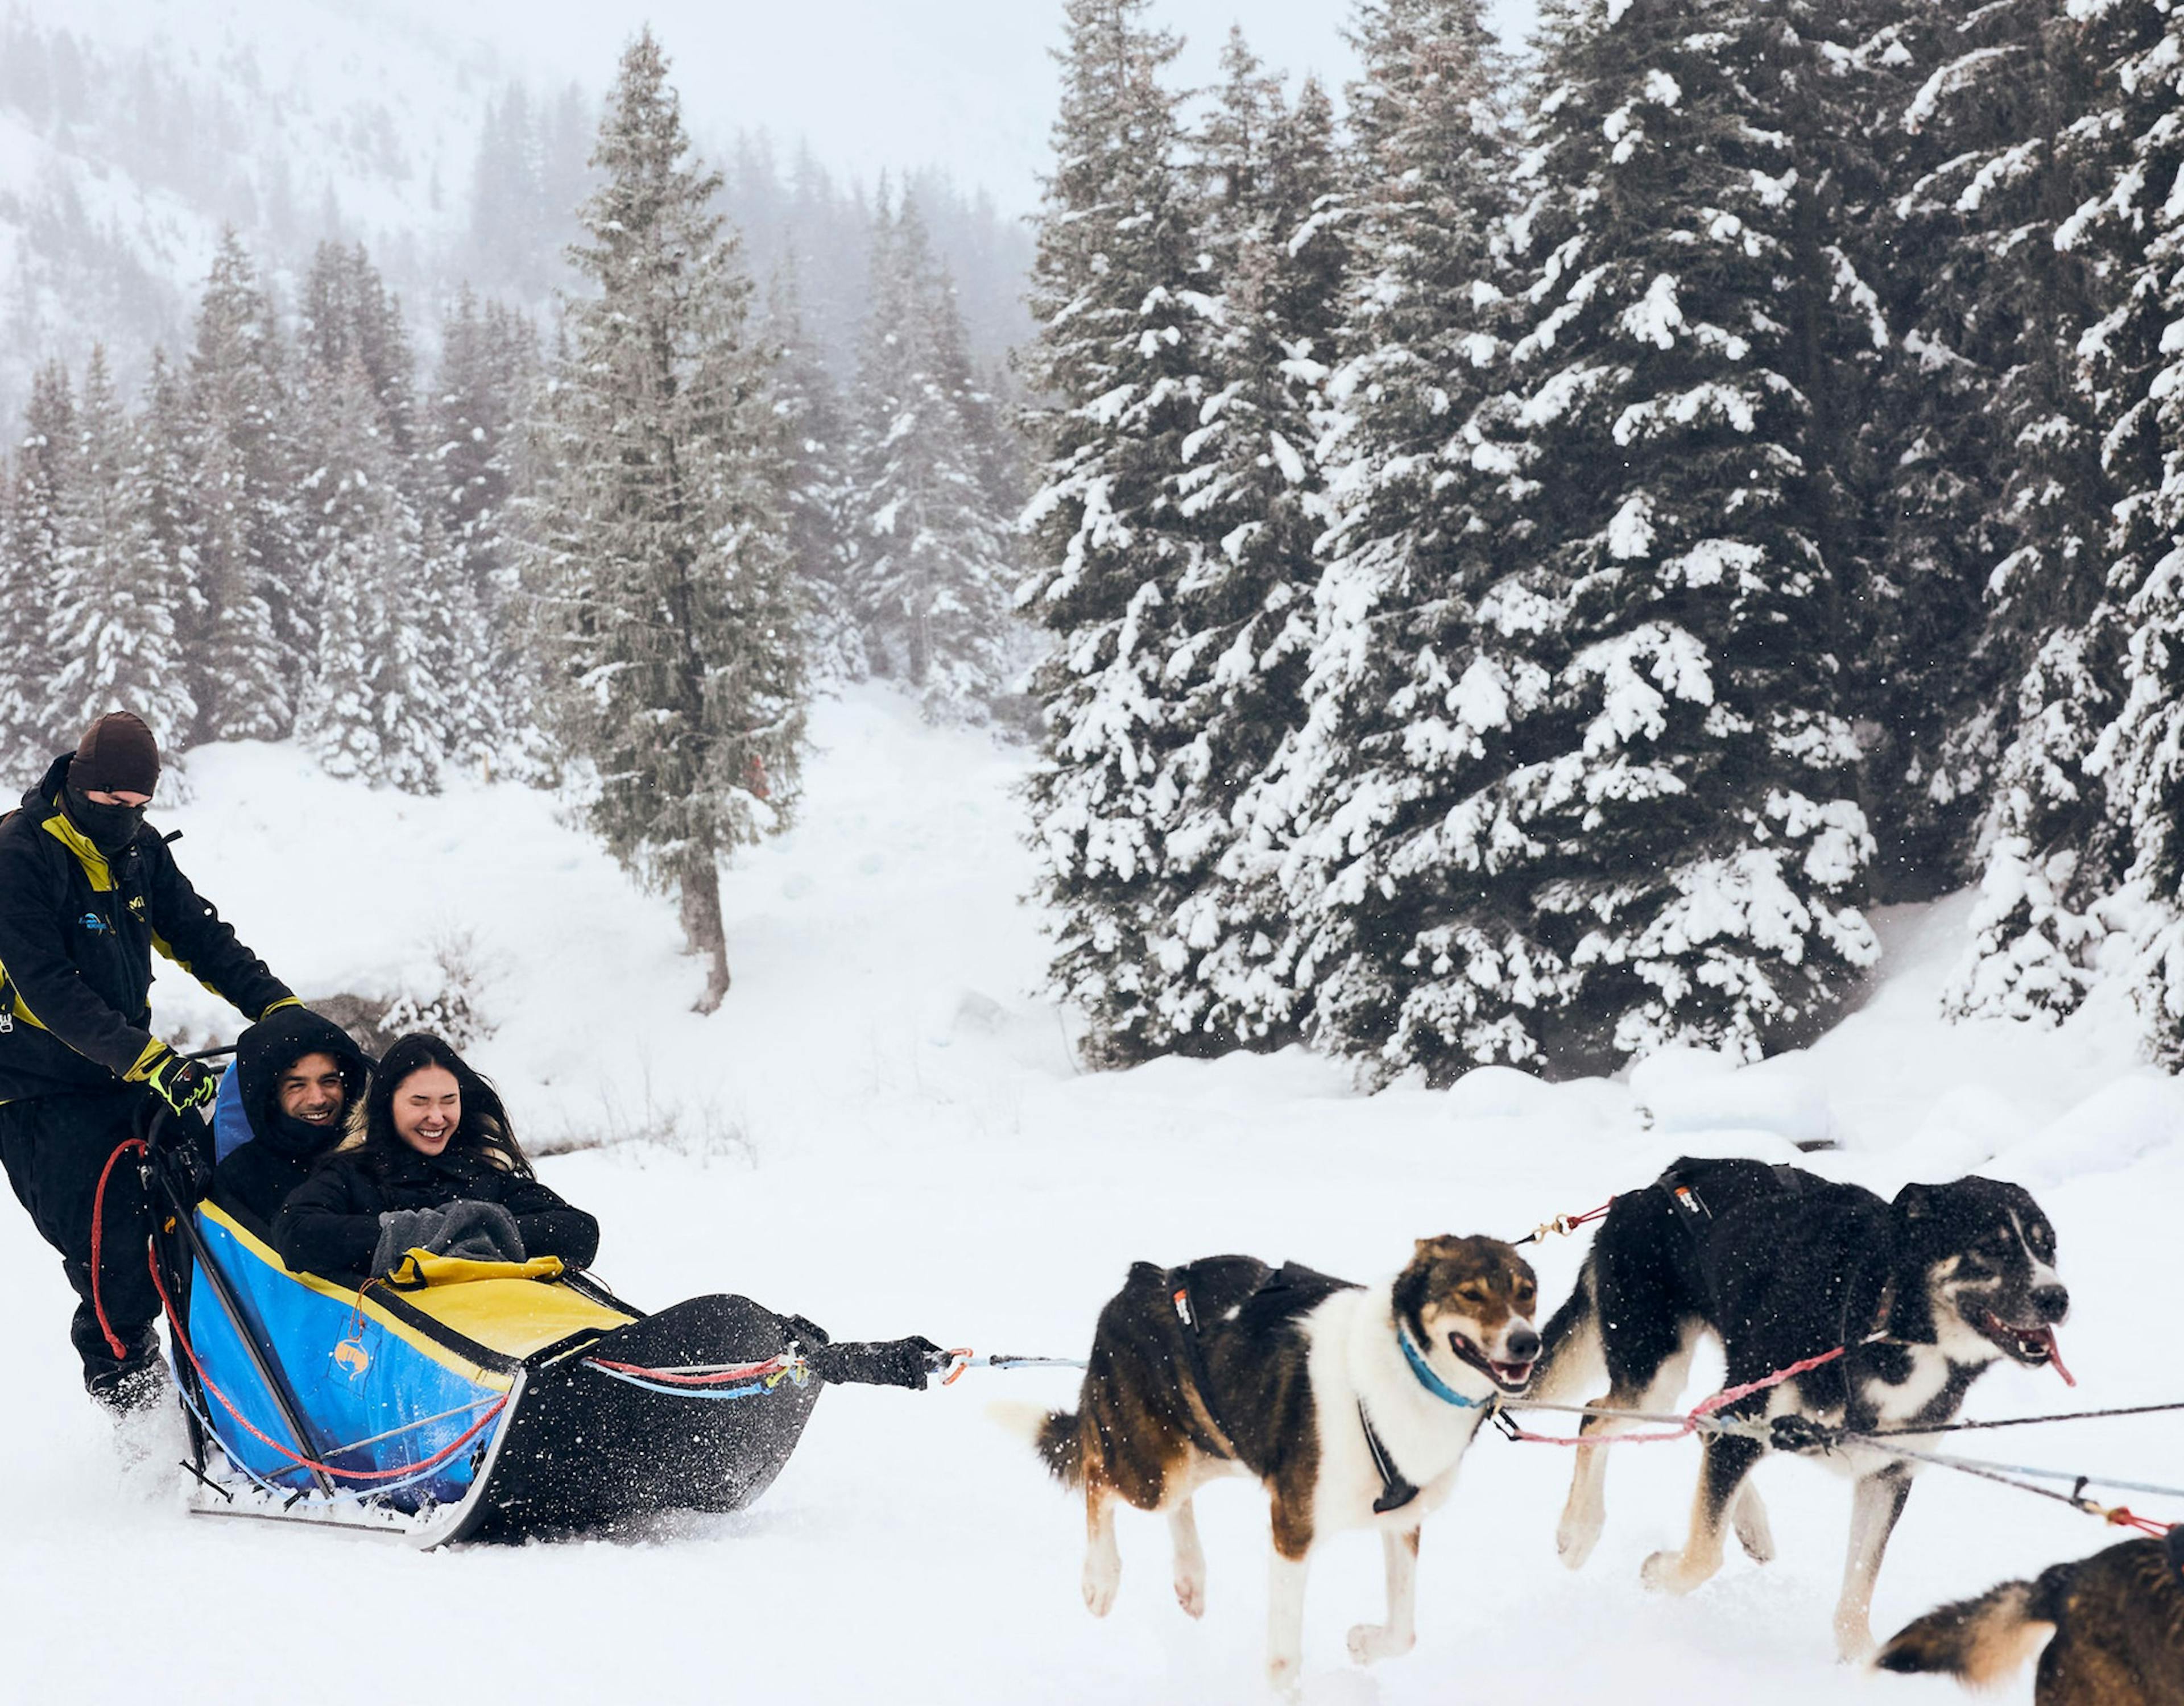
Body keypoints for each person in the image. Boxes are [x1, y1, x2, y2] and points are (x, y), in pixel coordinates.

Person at [0, 711, 299, 1412]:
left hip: (126, 1078)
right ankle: (138, 1428)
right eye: (110, 804)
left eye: (138, 807)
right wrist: (152, 1059)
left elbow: (199, 936)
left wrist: (282, 1011)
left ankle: (238, 1391)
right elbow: (46, 991)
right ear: (78, 786)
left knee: (215, 1214)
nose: (123, 819)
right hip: (40, 1092)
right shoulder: (21, 852)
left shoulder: (139, 850)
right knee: (114, 1264)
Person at [273, 1033, 599, 1278]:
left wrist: (472, 1230)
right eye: (419, 1102)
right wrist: (425, 1234)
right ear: (387, 1105)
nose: (437, 1117)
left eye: (448, 1101)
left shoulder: (481, 1170)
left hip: (502, 1329)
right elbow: (297, 1234)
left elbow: (578, 1231)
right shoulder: (352, 1173)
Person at [213, 1008, 371, 1226]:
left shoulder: (374, 1152)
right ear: (272, 1095)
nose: (318, 1099)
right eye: (297, 1086)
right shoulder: (238, 1177)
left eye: (329, 1081)